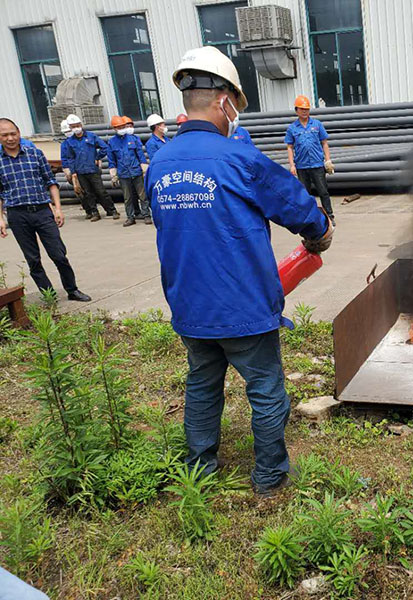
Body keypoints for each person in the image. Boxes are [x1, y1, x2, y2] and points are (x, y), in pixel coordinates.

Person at [146, 46, 333, 497]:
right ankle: (269, 476)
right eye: (237, 106)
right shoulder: (239, 159)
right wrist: (319, 234)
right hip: (243, 305)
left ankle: (201, 468)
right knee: (266, 388)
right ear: (225, 100)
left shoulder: (159, 165)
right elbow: (298, 207)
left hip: (190, 305)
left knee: (202, 383)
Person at [0, 118, 91, 302]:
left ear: (19, 132)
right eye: (5, 135)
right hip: (17, 215)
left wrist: (57, 208)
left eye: (13, 133)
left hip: (42, 211)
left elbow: (51, 183)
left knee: (58, 254)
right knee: (33, 259)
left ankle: (72, 290)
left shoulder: (35, 154)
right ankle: (48, 295)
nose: (10, 138)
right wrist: (1, 218)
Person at [285, 95, 335, 225]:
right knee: (304, 195)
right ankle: (308, 219)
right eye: (301, 109)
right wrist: (292, 165)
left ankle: (329, 216)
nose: (304, 111)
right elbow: (290, 147)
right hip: (302, 166)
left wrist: (328, 160)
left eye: (306, 109)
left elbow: (324, 143)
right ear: (296, 110)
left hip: (317, 164)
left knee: (323, 192)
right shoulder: (292, 128)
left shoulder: (317, 125)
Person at [61, 113, 119, 222]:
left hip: (93, 169)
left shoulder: (91, 136)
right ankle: (94, 212)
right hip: (80, 171)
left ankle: (112, 210)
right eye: (73, 126)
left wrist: (97, 157)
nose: (76, 128)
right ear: (70, 128)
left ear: (81, 124)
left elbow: (104, 147)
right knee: (88, 193)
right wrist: (73, 172)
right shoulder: (69, 142)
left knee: (101, 191)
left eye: (77, 125)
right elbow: (70, 158)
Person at [108, 115, 150, 226]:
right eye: (119, 127)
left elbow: (140, 155)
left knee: (142, 195)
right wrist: (113, 175)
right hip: (123, 174)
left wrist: (144, 170)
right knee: (128, 198)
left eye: (122, 126)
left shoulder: (133, 139)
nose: (121, 129)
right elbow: (112, 160)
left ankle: (146, 215)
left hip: (136, 171)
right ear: (114, 128)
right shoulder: (112, 142)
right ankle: (130, 217)